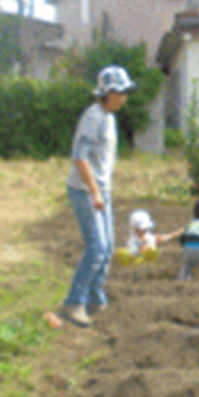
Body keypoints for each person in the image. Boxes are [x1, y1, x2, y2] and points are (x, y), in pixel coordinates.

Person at [62, 66, 137, 327]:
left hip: (100, 191)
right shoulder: (93, 117)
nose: (125, 97)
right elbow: (80, 158)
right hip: (84, 191)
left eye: (126, 91)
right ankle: (74, 302)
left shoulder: (109, 118)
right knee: (96, 248)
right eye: (121, 92)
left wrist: (104, 190)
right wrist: (95, 192)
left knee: (108, 247)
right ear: (107, 93)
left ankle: (95, 295)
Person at [114, 210, 183, 265]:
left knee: (152, 250)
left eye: (147, 228)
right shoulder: (132, 242)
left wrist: (178, 233)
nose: (146, 230)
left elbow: (162, 238)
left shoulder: (149, 238)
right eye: (144, 229)